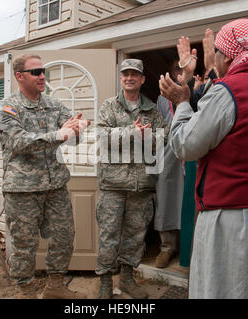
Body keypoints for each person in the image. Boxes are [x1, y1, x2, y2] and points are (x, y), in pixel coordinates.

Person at [160, 19, 248, 298]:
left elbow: (186, 146)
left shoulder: (229, 92)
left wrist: (181, 103)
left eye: (216, 52)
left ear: (227, 56)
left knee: (234, 289)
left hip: (240, 220)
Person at [0, 54, 90, 299]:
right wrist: (59, 134)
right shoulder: (7, 108)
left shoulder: (53, 105)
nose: (42, 76)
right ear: (20, 76)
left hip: (55, 185)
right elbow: (17, 141)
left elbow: (72, 135)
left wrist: (78, 129)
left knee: (64, 237)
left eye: (43, 71)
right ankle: (24, 291)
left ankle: (55, 288)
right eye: (35, 72)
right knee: (24, 245)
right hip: (22, 189)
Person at [96, 59, 169, 299]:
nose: (129, 78)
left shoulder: (151, 110)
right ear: (121, 78)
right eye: (125, 74)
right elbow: (101, 136)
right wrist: (132, 133)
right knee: (108, 235)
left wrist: (148, 138)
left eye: (134, 74)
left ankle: (127, 279)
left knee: (135, 236)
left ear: (142, 79)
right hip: (113, 185)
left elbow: (164, 138)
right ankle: (105, 283)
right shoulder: (109, 106)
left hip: (141, 185)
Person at [154, 59, 184, 268]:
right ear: (172, 73)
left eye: (184, 69)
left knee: (191, 201)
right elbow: (158, 125)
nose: (180, 73)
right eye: (176, 69)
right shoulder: (162, 97)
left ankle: (192, 249)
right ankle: (167, 248)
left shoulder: (200, 91)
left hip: (194, 153)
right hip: (169, 153)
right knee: (166, 199)